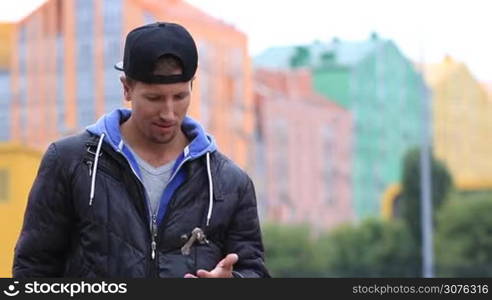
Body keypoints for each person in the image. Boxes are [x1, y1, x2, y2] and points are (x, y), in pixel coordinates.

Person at [13, 22, 269, 278]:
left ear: (192, 85)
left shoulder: (230, 182)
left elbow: (254, 272)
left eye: (180, 97)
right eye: (154, 98)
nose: (168, 113)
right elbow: (33, 270)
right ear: (127, 88)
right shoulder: (70, 162)